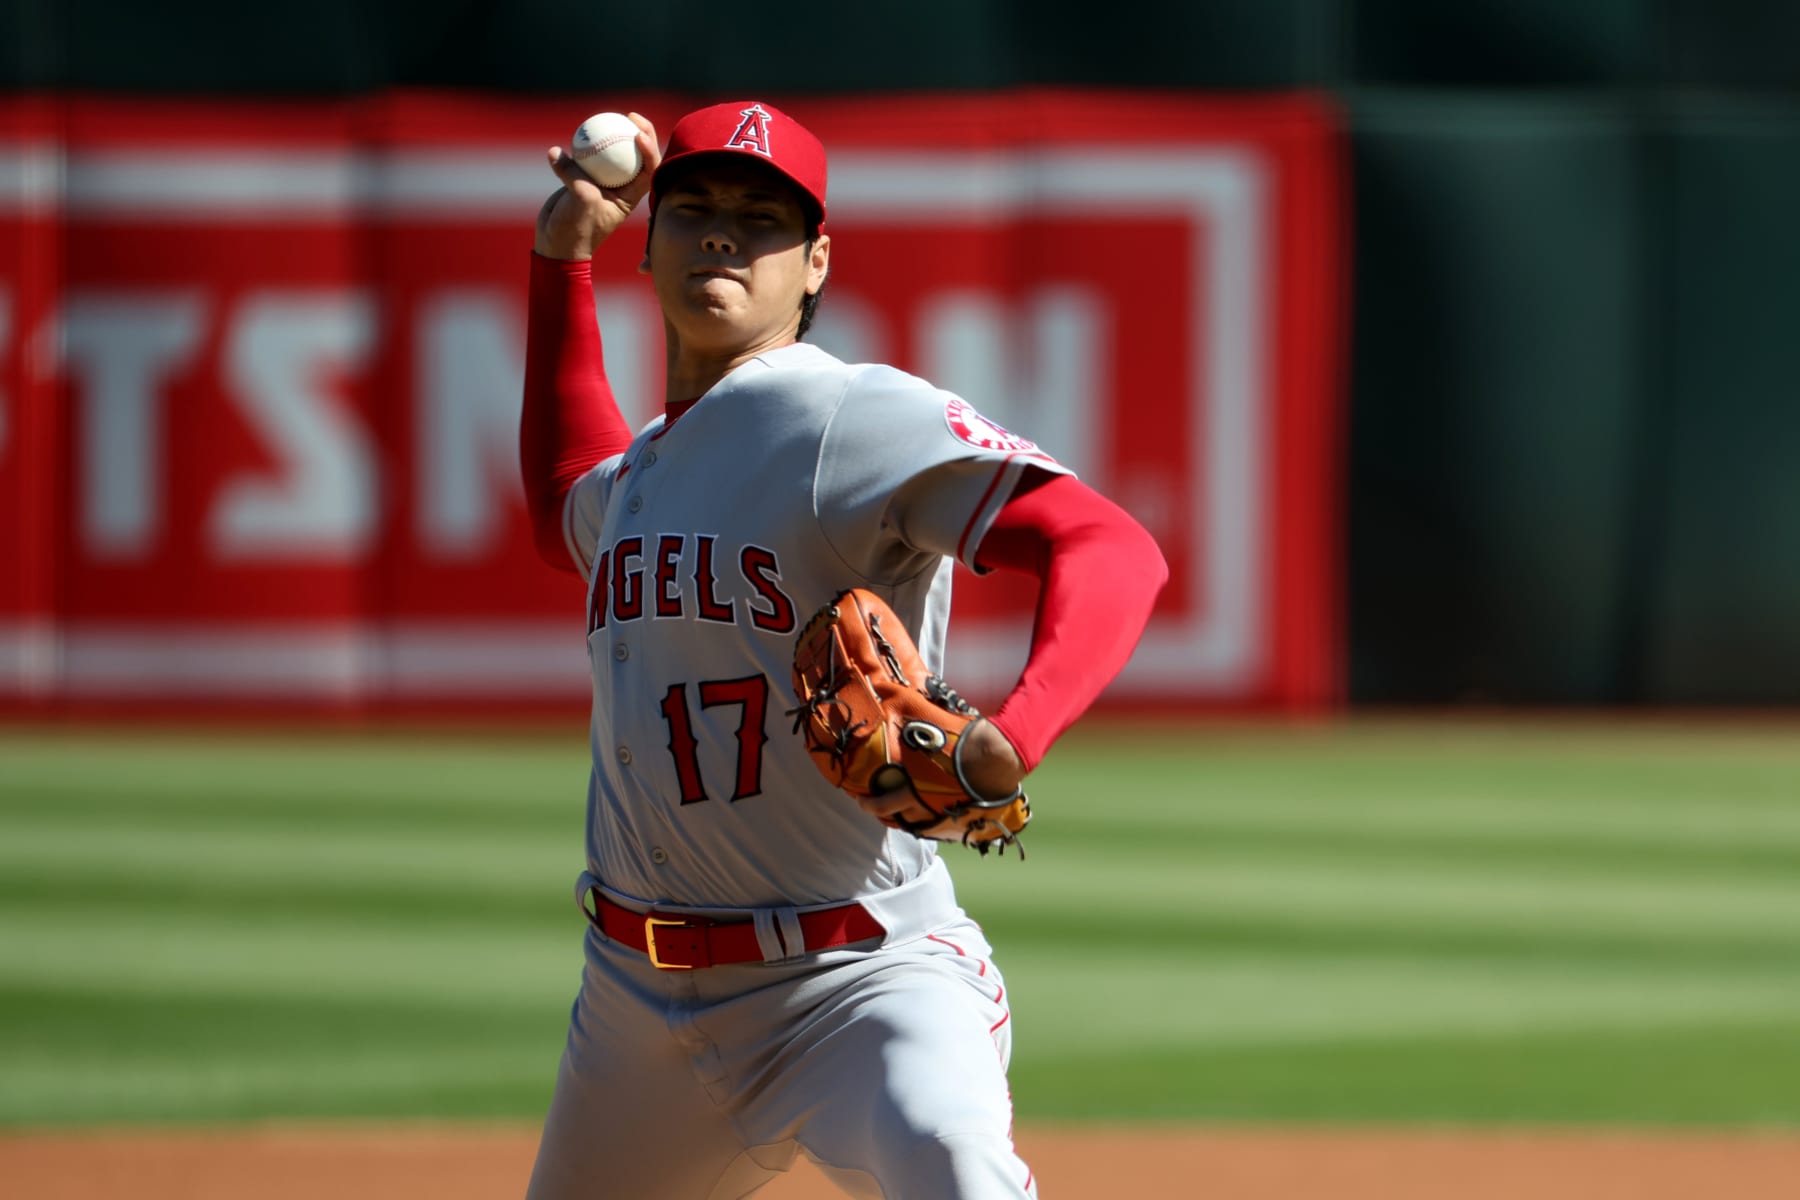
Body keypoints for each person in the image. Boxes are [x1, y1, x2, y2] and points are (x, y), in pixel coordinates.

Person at [518, 100, 1167, 1200]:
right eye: (698, 209)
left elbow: (1110, 544)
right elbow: (560, 506)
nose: (724, 236)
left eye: (763, 221)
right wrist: (557, 261)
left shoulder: (845, 415)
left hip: (858, 981)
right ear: (652, 236)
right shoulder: (644, 474)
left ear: (815, 264)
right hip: (633, 1006)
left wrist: (1019, 731)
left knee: (958, 1171)